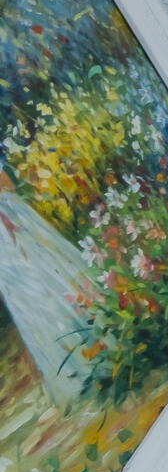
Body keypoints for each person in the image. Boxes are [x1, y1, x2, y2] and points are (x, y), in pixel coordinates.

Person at [0, 165, 95, 408]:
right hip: (6, 231)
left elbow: (4, 183)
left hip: (11, 218)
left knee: (48, 281)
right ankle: (74, 364)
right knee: (30, 296)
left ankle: (86, 354)